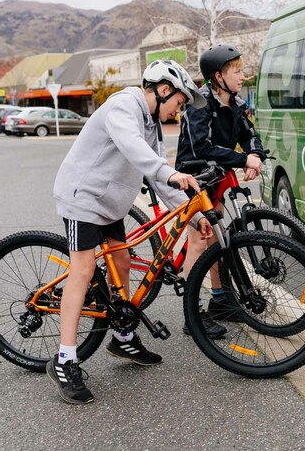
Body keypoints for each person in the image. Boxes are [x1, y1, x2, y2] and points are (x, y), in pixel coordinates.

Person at [48, 59, 207, 405]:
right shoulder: (124, 106)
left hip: (109, 205)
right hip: (83, 198)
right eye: (179, 103)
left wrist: (194, 217)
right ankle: (64, 360)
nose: (179, 112)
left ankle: (122, 336)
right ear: (164, 90)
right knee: (84, 270)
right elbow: (136, 151)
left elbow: (159, 179)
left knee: (121, 262)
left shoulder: (152, 124)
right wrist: (170, 172)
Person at [175, 44, 265, 338]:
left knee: (218, 241)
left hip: (216, 179)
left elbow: (249, 135)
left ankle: (220, 300)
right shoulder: (199, 104)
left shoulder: (236, 103)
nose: (242, 75)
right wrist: (242, 159)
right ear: (218, 76)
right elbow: (201, 148)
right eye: (236, 70)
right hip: (192, 180)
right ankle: (192, 314)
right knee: (199, 243)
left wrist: (256, 156)